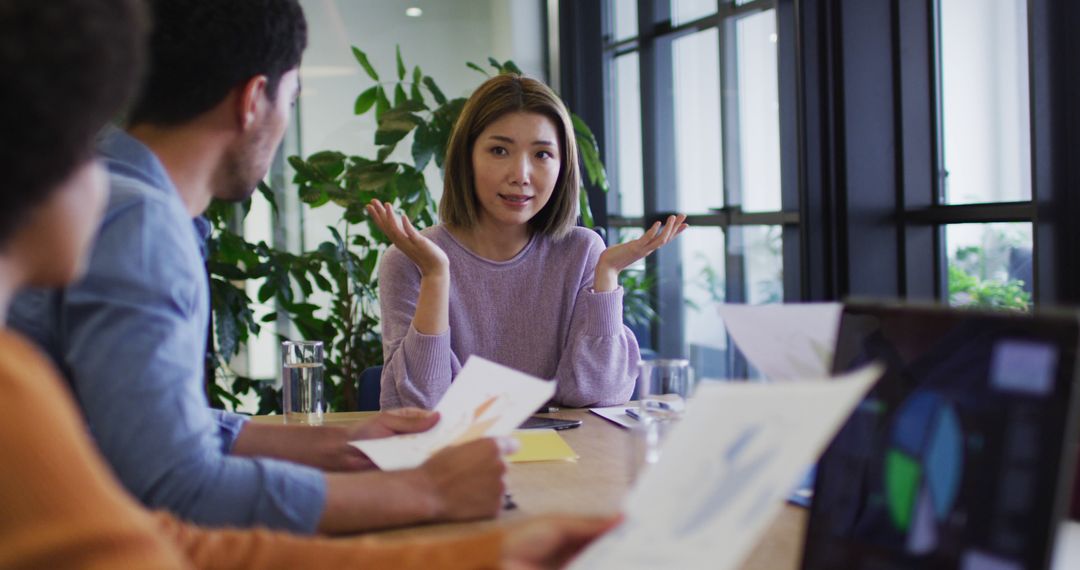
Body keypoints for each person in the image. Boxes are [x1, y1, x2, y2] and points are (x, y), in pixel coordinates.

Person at [0, 0, 618, 567]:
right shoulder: (139, 219)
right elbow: (176, 485)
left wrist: (341, 442)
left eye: (543, 154)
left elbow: (151, 429)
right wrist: (420, 492)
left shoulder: (142, 209)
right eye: (293, 99)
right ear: (254, 100)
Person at [370, 74, 687, 410]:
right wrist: (436, 276)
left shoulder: (581, 252)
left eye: (542, 155)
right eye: (499, 150)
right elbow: (419, 408)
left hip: (568, 457)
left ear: (563, 166)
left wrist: (606, 276)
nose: (520, 174)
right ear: (467, 158)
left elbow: (597, 394)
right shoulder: (410, 259)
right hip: (452, 459)